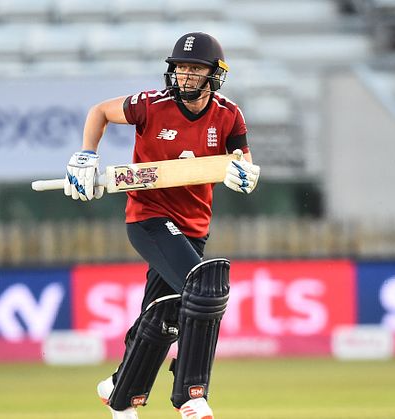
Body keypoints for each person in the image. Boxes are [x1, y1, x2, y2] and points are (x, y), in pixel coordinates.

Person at [64, 32, 260, 419]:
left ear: (214, 75)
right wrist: (87, 155)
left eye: (195, 69)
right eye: (181, 68)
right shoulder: (150, 105)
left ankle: (120, 393)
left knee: (164, 311)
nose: (186, 76)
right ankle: (190, 393)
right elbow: (99, 112)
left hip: (194, 225)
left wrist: (243, 173)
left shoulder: (228, 114)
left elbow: (242, 160)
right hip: (149, 216)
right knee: (203, 287)